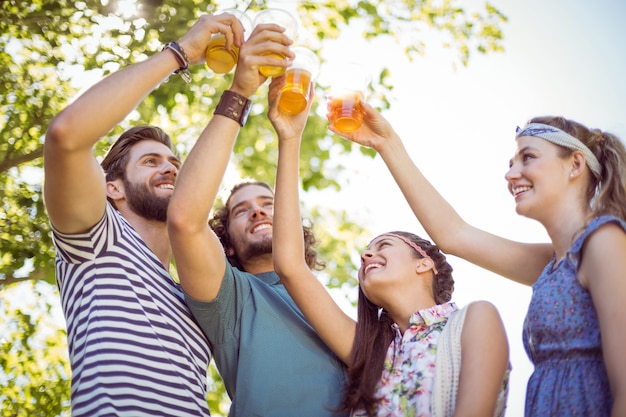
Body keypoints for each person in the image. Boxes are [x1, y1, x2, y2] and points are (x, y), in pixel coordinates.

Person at [43, 12, 282, 416]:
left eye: (173, 161)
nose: (170, 168)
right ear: (111, 188)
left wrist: (245, 90)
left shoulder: (193, 293)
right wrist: (182, 52)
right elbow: (66, 137)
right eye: (150, 162)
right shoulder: (97, 239)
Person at [325, 101, 626, 416]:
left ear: (575, 164)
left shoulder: (603, 243)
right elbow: (453, 234)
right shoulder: (552, 265)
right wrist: (387, 145)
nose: (511, 174)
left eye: (528, 157)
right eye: (511, 162)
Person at [271, 78, 510, 416]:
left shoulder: (473, 321)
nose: (366, 255)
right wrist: (290, 138)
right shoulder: (368, 353)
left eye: (383, 245)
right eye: (368, 251)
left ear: (424, 263)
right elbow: (290, 266)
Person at [166, 49, 347, 416]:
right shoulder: (229, 296)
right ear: (227, 242)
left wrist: (290, 136)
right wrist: (240, 93)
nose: (259, 211)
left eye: (268, 202)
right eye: (242, 210)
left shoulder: (329, 305)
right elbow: (185, 219)